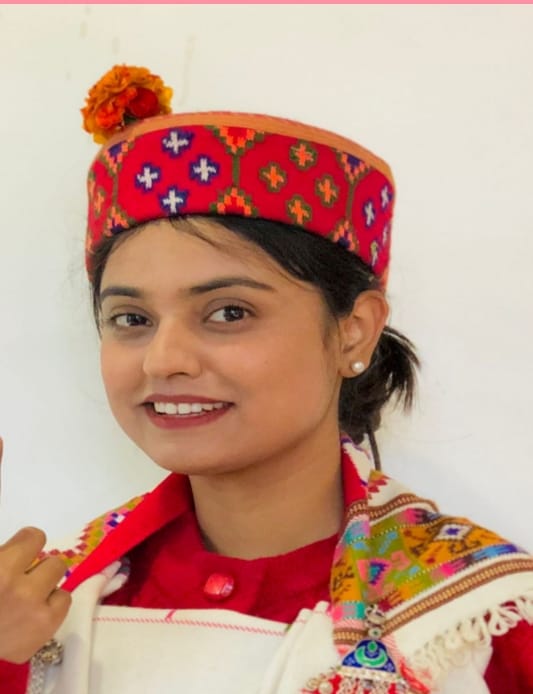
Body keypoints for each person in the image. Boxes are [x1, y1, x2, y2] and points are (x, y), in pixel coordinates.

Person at [0, 64, 532, 694]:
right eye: (131, 319)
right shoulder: (42, 607)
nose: (162, 360)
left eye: (229, 312)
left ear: (354, 330)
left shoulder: (477, 620)